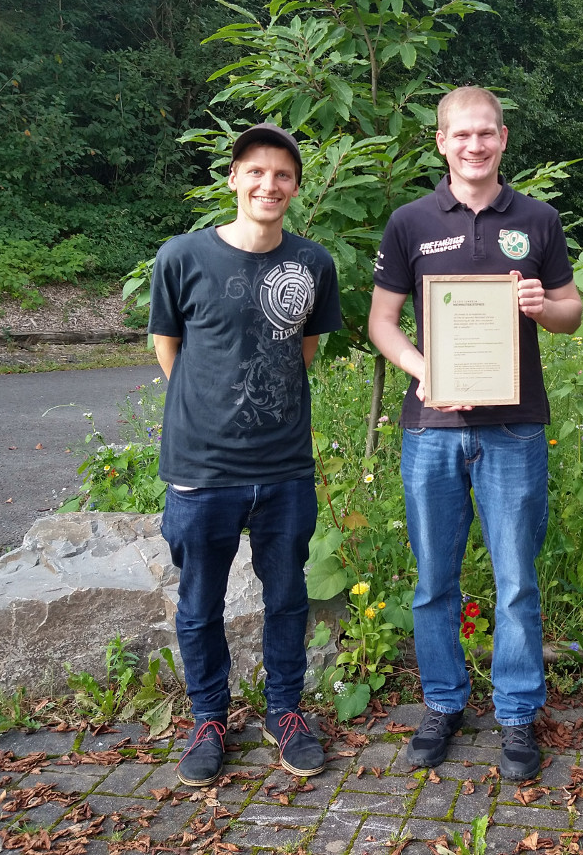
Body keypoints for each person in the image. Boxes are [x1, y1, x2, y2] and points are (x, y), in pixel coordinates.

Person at [368, 87, 583, 781]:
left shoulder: (538, 220)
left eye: (486, 133)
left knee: (516, 581)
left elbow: (573, 312)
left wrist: (542, 305)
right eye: (461, 135)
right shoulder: (409, 222)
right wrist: (419, 366)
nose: (475, 145)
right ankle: (443, 703)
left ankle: (518, 715)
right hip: (432, 427)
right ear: (441, 141)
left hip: (515, 430)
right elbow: (381, 322)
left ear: (503, 137)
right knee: (435, 581)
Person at [150, 122, 343, 787]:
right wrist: (209, 412)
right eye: (256, 171)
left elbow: (303, 352)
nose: (269, 183)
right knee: (199, 603)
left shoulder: (313, 264)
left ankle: (286, 712)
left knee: (288, 598)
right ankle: (208, 718)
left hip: (284, 467)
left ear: (295, 186)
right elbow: (168, 349)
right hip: (201, 472)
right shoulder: (181, 257)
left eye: (283, 174)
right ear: (233, 178)